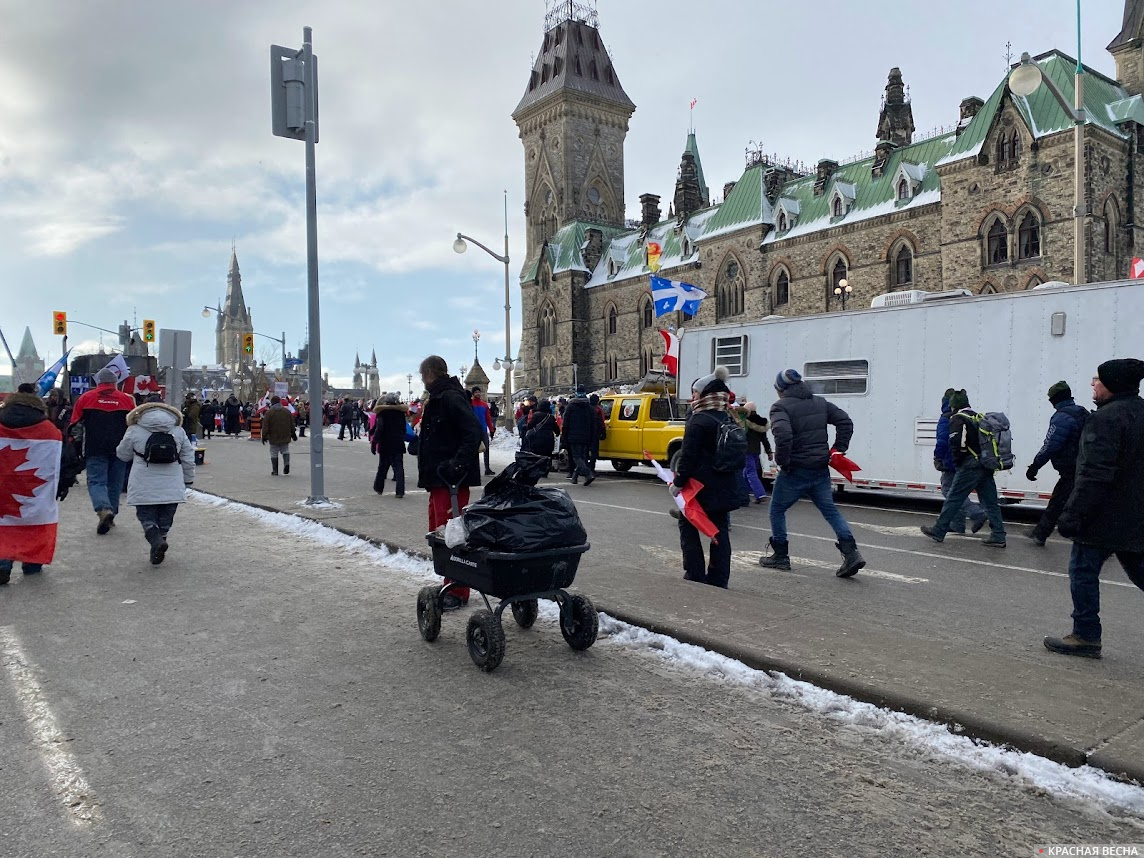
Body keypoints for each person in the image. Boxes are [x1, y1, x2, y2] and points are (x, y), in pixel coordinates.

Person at [1043, 359, 1144, 659]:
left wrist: (1072, 514)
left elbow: (1094, 474)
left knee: (1082, 571)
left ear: (1112, 385)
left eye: (1097, 380)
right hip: (1136, 516)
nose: (1092, 384)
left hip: (1102, 517)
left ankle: (1085, 635)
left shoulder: (1105, 420)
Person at [760, 368, 866, 577]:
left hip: (795, 470)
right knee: (830, 511)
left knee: (777, 510)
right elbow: (845, 422)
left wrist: (783, 461)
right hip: (819, 469)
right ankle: (851, 552)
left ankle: (781, 555)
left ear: (781, 389)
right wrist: (838, 448)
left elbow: (783, 435)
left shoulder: (780, 407)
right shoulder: (820, 402)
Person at [417, 355, 483, 611]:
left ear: (431, 374)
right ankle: (450, 582)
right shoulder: (439, 396)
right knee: (440, 534)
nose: (422, 380)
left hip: (451, 480)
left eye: (423, 376)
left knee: (452, 534)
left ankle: (458, 588)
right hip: (439, 479)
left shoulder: (450, 397)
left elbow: (472, 431)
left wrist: (457, 463)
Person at [671, 367, 742, 588]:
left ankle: (694, 572)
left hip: (700, 487)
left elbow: (688, 456)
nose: (693, 397)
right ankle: (719, 578)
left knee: (688, 524)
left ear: (704, 395)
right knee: (719, 529)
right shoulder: (728, 416)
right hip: (725, 483)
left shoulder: (699, 419)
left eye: (695, 393)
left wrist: (678, 482)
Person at [920, 389, 1006, 548]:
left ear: (953, 406)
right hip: (985, 464)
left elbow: (956, 443)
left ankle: (939, 530)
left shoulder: (957, 419)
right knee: (990, 502)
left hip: (970, 466)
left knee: (953, 497)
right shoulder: (977, 417)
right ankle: (999, 535)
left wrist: (958, 463)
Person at [115, 399, 195, 565]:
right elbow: (188, 457)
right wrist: (188, 479)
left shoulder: (134, 430)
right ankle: (161, 538)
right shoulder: (178, 430)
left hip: (142, 482)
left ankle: (155, 540)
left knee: (146, 516)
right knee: (166, 517)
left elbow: (122, 454)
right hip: (171, 483)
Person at [0, 385, 63, 584]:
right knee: (34, 518)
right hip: (34, 489)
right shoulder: (49, 430)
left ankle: (2, 563)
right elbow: (65, 460)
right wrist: (63, 484)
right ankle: (32, 562)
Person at [70, 366, 136, 535]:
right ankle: (111, 512)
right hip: (120, 448)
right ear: (115, 382)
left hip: (94, 447)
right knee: (115, 483)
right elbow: (133, 425)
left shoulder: (86, 398)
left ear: (98, 382)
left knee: (96, 481)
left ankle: (103, 509)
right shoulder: (127, 400)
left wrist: (74, 445)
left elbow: (74, 424)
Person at [1026, 381, 1089, 546]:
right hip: (1085, 466)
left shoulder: (1062, 417)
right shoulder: (1082, 412)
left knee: (1058, 502)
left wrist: (1035, 466)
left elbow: (1050, 445)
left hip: (1070, 468)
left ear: (1055, 399)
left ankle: (1040, 534)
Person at [933, 388, 987, 535]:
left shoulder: (946, 418)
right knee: (955, 491)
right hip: (966, 459)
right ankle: (957, 524)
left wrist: (937, 458)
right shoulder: (965, 416)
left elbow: (943, 442)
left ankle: (976, 513)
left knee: (949, 492)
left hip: (951, 461)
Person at [372, 393, 409, 496]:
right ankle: (400, 491)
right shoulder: (401, 413)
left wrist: (374, 441)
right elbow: (404, 428)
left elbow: (379, 428)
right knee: (399, 468)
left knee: (383, 467)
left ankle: (379, 488)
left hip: (385, 442)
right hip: (398, 442)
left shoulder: (382, 413)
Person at [737, 401, 772, 504]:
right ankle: (743, 494)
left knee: (750, 472)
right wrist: (769, 451)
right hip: (756, 451)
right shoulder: (761, 423)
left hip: (746, 450)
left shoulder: (745, 422)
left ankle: (760, 494)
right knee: (746, 472)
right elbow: (764, 439)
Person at [561, 384, 596, 485]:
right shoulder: (589, 408)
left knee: (576, 457)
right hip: (586, 436)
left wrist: (564, 436)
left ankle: (588, 474)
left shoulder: (571, 407)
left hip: (573, 436)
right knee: (582, 457)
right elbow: (593, 424)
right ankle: (575, 477)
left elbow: (565, 423)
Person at [261, 395, 297, 476]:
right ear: (279, 402)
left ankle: (275, 470)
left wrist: (264, 436)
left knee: (274, 452)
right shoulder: (286, 411)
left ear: (272, 402)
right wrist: (293, 433)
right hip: (285, 434)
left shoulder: (269, 413)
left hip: (273, 436)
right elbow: (292, 424)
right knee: (285, 450)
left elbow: (265, 425)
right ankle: (286, 463)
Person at [521, 399, 557, 470]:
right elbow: (556, 429)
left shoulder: (536, 415)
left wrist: (525, 427)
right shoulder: (551, 417)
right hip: (548, 438)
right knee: (547, 453)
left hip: (537, 437)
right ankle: (546, 469)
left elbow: (530, 425)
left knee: (536, 454)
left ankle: (537, 468)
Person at [471, 387, 496, 476]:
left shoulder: (484, 405)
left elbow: (488, 418)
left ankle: (487, 468)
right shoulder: (470, 404)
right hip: (473, 431)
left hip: (483, 429)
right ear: (473, 394)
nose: (478, 394)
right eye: (476, 392)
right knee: (474, 451)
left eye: (479, 392)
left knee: (486, 449)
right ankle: (474, 469)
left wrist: (491, 429)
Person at [588, 393, 607, 470]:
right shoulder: (599, 409)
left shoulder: (587, 408)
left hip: (586, 432)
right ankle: (592, 468)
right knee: (594, 451)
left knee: (585, 450)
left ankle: (585, 467)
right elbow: (602, 421)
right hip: (595, 432)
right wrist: (603, 431)